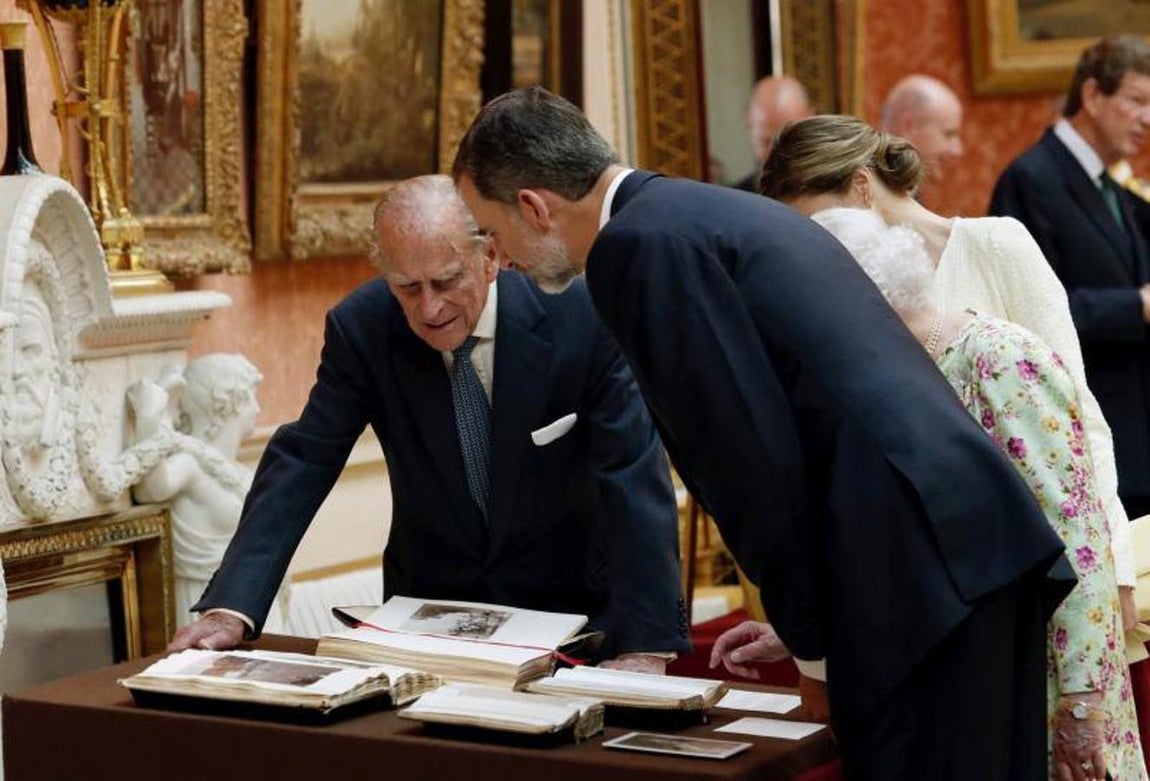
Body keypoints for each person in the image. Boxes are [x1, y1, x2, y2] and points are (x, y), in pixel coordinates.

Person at [452, 85, 1073, 779]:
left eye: (491, 231)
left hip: (914, 582)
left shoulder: (636, 247)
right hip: (967, 548)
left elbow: (751, 466)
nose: (500, 257)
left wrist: (816, 659)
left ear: (534, 206)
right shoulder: (697, 209)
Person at [169, 175, 688, 672]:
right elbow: (305, 457)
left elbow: (633, 474)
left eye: (445, 280)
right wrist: (230, 607)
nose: (430, 307)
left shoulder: (580, 316)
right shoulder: (364, 328)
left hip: (571, 619)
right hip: (429, 625)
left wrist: (647, 643)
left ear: (490, 257)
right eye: (407, 287)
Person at [723, 207, 1147, 781]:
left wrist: (1080, 706)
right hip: (963, 696)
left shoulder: (1000, 361)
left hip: (1046, 688)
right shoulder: (886, 380)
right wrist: (802, 634)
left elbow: (1077, 537)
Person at [758, 113, 1138, 630]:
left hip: (1056, 560)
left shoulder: (998, 245)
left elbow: (1081, 419)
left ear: (862, 186)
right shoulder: (845, 291)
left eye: (816, 224)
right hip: (940, 590)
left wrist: (1112, 572)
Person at [990, 34, 1150, 522]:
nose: (1148, 119)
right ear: (1093, 96)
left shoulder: (1117, 186)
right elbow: (1023, 315)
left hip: (1137, 437)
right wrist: (1137, 306)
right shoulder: (1032, 179)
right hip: (1088, 442)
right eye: (1138, 101)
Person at [128, 354, 287, 629]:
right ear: (225, 404)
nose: (259, 408)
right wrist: (149, 415)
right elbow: (150, 489)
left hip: (251, 602)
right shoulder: (190, 463)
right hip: (205, 607)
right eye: (251, 397)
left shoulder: (239, 472)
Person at [880, 74, 963, 203]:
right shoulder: (866, 193)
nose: (957, 150)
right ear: (908, 127)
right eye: (948, 134)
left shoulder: (900, 189)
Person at [732, 75, 813, 192]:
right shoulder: (738, 199)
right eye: (765, 142)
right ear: (748, 121)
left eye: (787, 140)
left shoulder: (836, 193)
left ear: (810, 120)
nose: (776, 154)